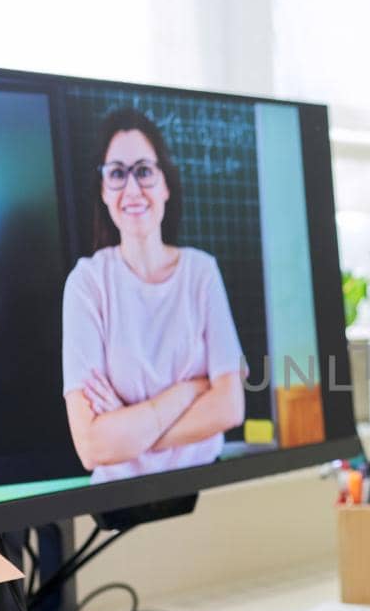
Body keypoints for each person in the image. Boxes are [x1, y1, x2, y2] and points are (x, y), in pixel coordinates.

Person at [62, 109, 245, 482]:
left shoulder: (201, 272)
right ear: (103, 191)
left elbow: (229, 407)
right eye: (116, 174)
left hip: (205, 493)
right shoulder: (88, 283)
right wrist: (188, 393)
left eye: (144, 171)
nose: (132, 190)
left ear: (165, 184)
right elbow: (92, 447)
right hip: (117, 504)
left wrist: (131, 430)